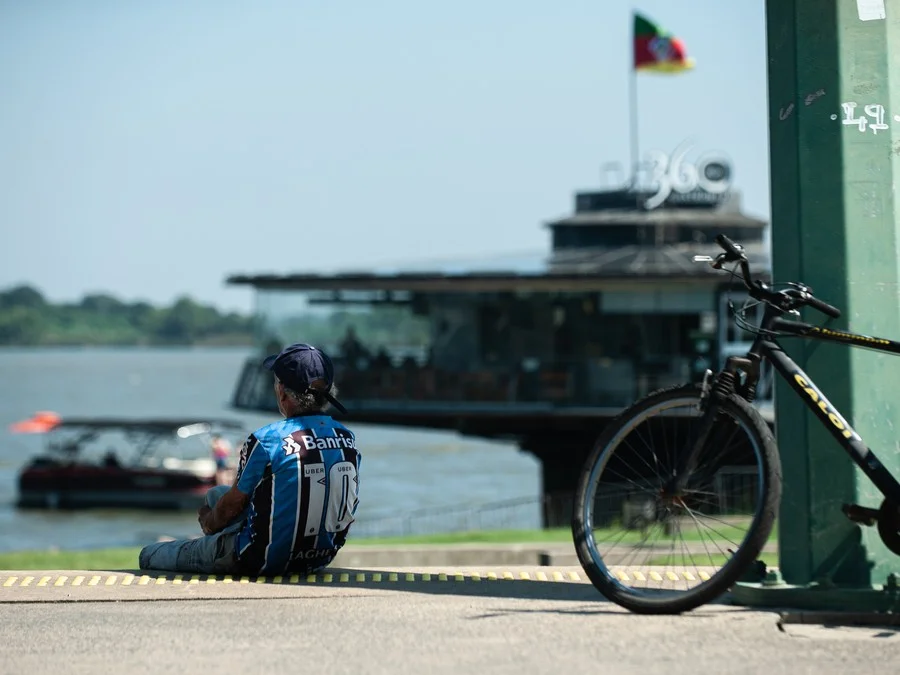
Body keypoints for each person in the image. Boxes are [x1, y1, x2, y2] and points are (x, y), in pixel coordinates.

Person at [139, 343, 361, 576]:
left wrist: (208, 524)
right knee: (217, 494)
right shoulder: (347, 438)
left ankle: (221, 549)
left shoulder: (267, 440)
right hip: (318, 559)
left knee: (150, 554)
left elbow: (232, 506)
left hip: (258, 559)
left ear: (282, 391)